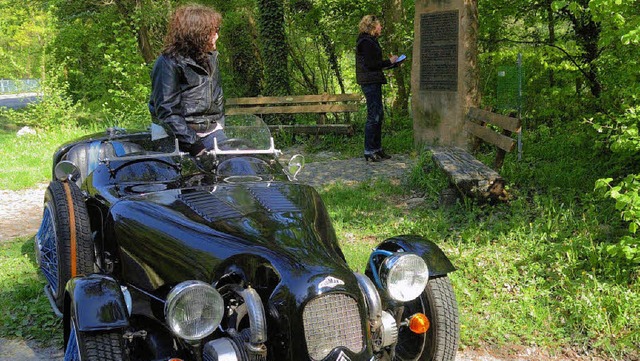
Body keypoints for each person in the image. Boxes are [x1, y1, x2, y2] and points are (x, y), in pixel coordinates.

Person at [149, 4, 224, 157]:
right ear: (198, 34)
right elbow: (166, 111)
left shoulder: (211, 59)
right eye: (214, 31)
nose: (217, 36)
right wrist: (195, 145)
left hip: (211, 131)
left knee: (239, 166)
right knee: (188, 178)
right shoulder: (168, 62)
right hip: (172, 135)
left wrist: (220, 127)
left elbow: (219, 99)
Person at [356, 15, 398, 162]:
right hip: (369, 82)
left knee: (378, 115)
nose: (381, 28)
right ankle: (369, 150)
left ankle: (377, 149)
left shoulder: (371, 41)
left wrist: (393, 63)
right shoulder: (366, 42)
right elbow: (371, 64)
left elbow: (375, 63)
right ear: (372, 27)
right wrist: (388, 61)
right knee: (373, 116)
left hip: (373, 80)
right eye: (379, 25)